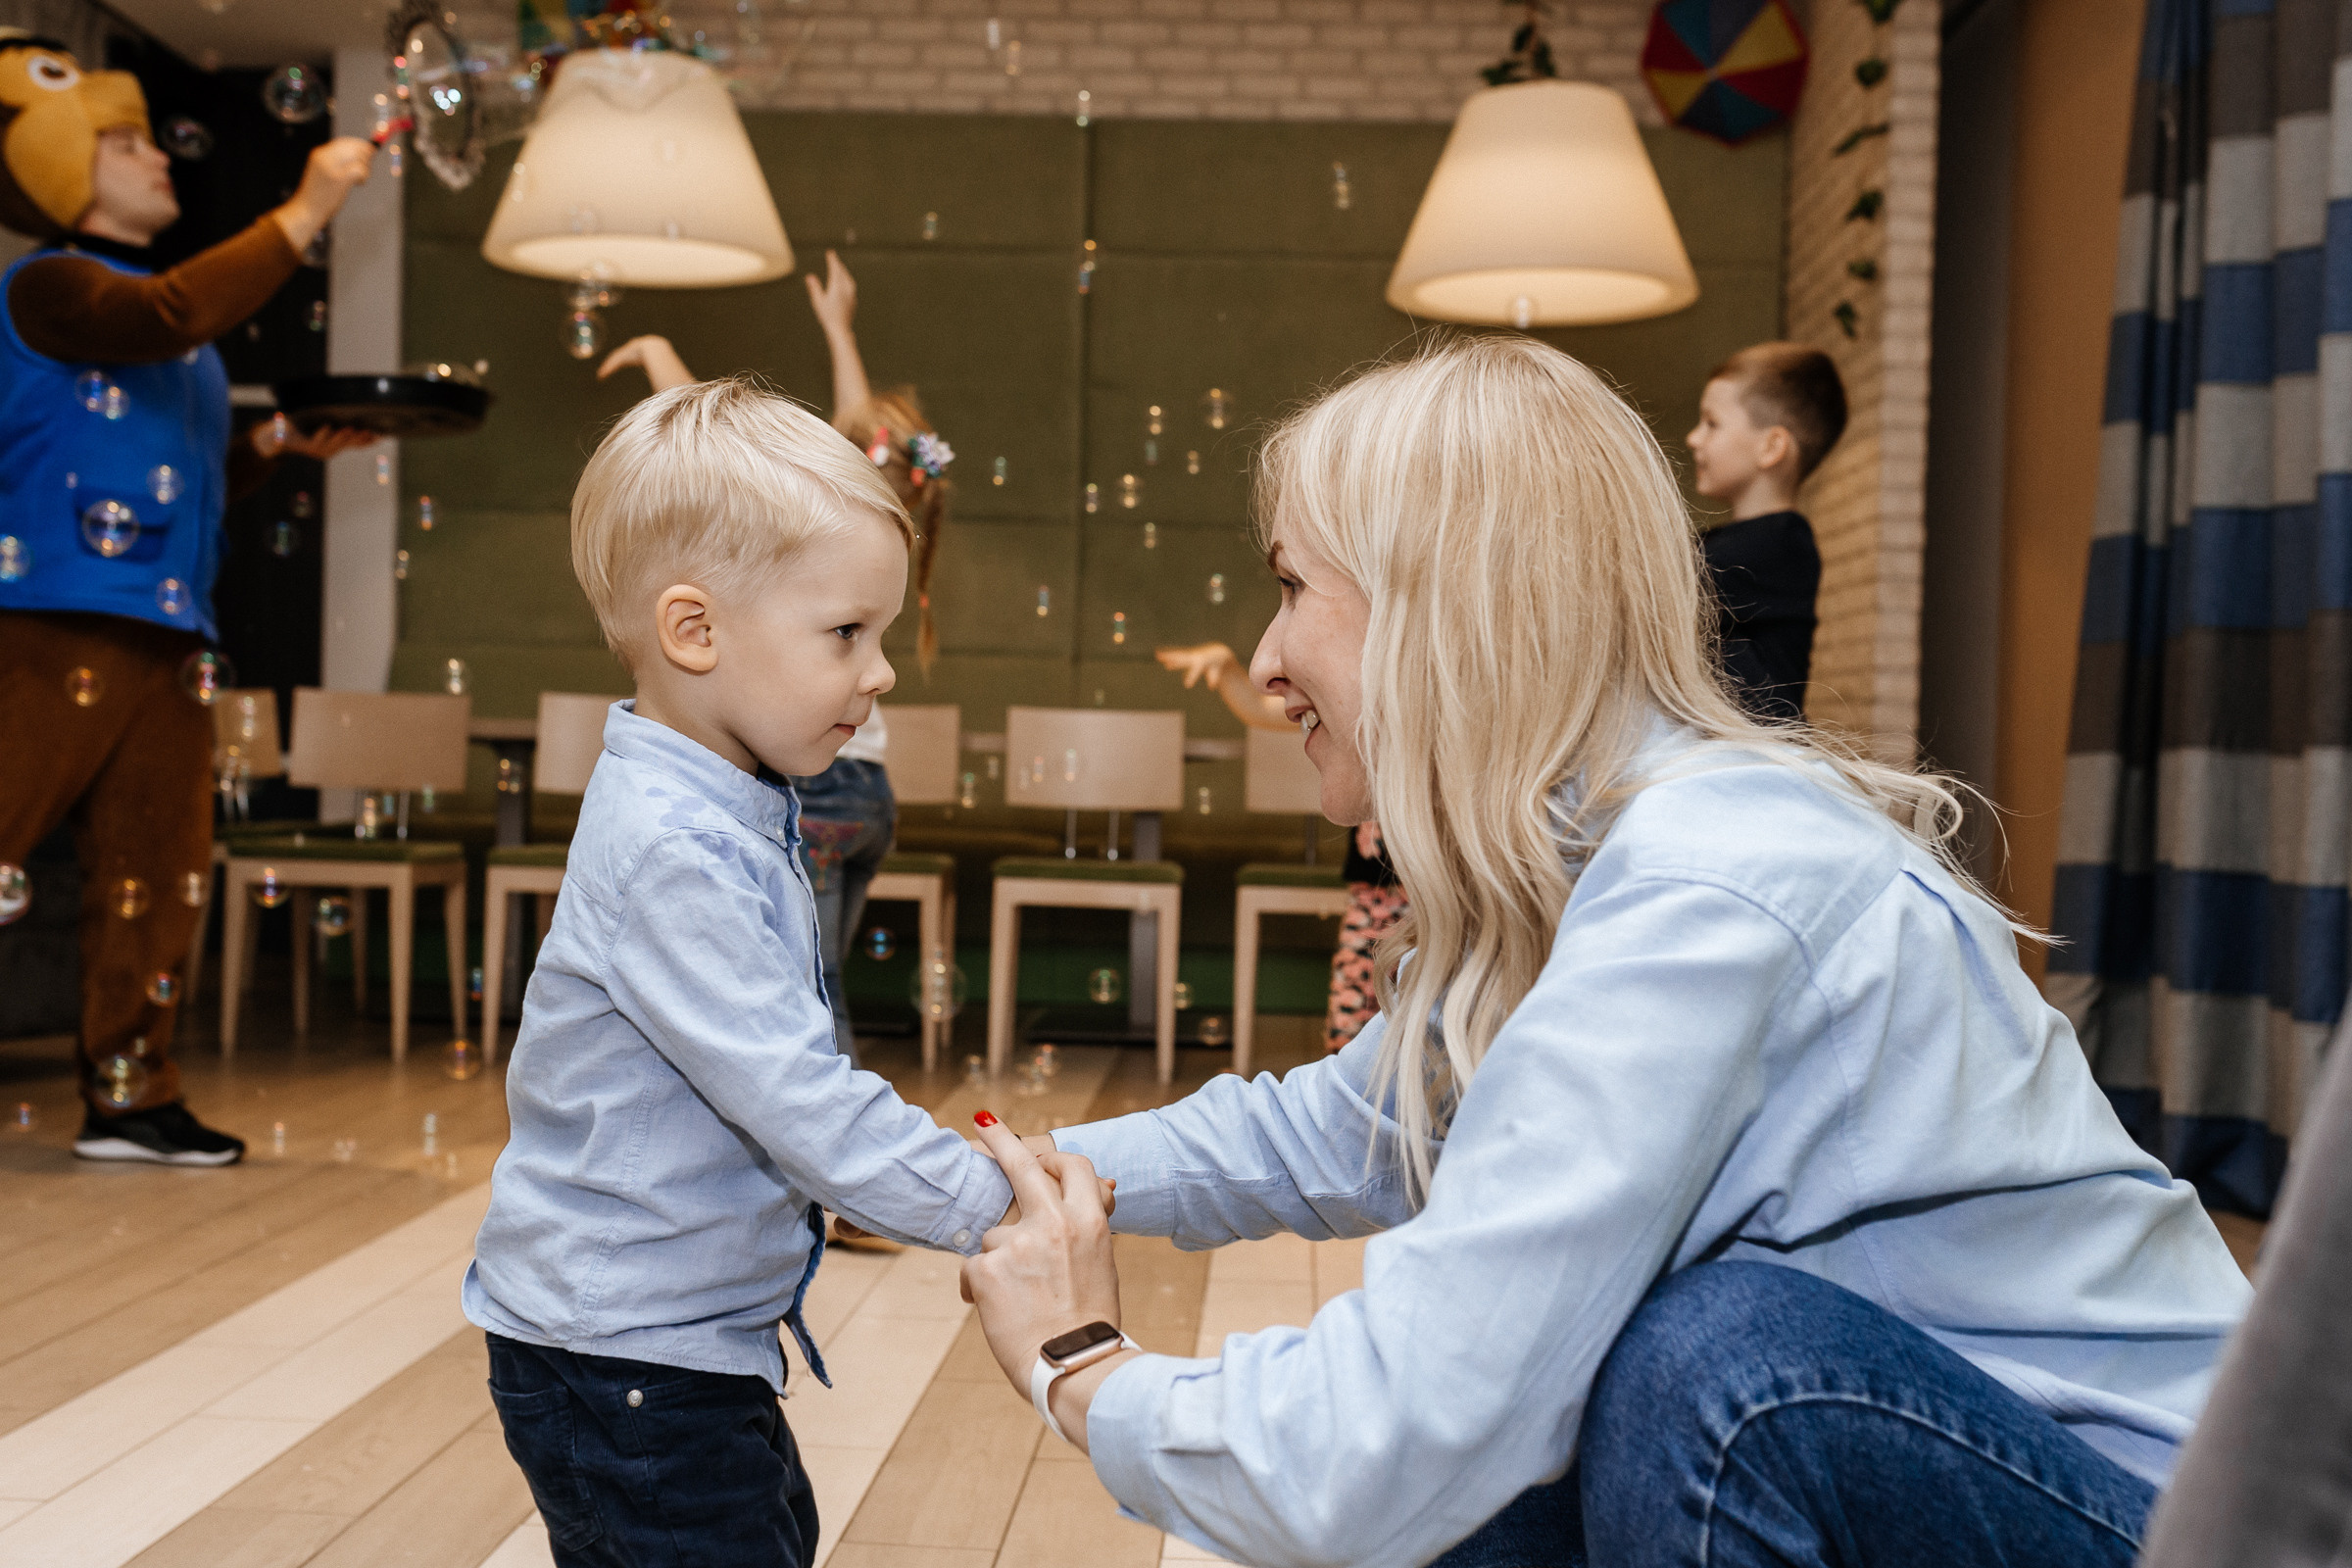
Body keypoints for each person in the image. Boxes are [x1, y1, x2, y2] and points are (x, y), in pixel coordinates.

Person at [956, 336, 2250, 1568]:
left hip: (2173, 1527)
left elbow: (1402, 1423)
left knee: (1714, 1368)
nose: (1266, 656)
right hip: (1970, 1485)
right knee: (1539, 1439)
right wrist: (973, 1176)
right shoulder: (1572, 859)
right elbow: (1341, 1135)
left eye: (1294, 587)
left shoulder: (1708, 877)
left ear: (1443, 607)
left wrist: (1086, 1369)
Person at [463, 379, 1056, 1567]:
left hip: (669, 1345)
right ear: (695, 632)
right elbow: (802, 1103)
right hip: (624, 1357)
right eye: (847, 633)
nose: (881, 671)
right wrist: (996, 1201)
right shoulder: (676, 848)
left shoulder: (726, 802)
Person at [0, 31, 377, 1165]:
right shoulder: (51, 282)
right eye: (123, 143)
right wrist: (305, 211)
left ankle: (130, 1094)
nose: (158, 157)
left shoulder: (177, 338)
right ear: (63, 172)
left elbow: (190, 471)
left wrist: (277, 442)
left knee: (157, 879)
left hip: (168, 632)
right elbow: (161, 316)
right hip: (51, 616)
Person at [597, 250, 952, 1062]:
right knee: (808, 987)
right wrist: (838, 328)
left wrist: (660, 357)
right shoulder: (888, 518)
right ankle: (837, 1164)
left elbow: (713, 451)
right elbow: (861, 427)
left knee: (799, 1007)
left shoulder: (818, 529)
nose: (879, 665)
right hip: (871, 798)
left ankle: (838, 1171)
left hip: (820, 795)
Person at [1156, 640, 1403, 1050]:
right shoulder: (1366, 698)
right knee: (1354, 1041)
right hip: (1375, 898)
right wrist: (1229, 672)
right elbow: (1262, 711)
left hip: (1440, 899)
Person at [1684, 341, 1845, 722]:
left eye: (1712, 423)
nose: (1694, 438)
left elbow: (1653, 583)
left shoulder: (1783, 544)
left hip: (1756, 764)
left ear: (1771, 446)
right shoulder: (1726, 544)